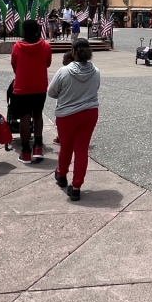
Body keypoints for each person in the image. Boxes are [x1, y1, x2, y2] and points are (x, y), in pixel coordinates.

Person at [48, 37, 101, 202]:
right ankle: (76, 187)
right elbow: (96, 88)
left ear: (73, 52)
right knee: (81, 149)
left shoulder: (64, 71)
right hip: (89, 113)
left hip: (67, 114)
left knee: (66, 147)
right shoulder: (96, 71)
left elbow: (51, 92)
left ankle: (61, 175)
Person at [11, 19, 52, 163]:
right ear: (37, 31)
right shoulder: (46, 46)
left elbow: (14, 65)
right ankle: (38, 147)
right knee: (38, 115)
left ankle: (25, 150)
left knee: (24, 117)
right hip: (39, 86)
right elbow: (47, 63)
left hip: (22, 87)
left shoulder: (17, 46)